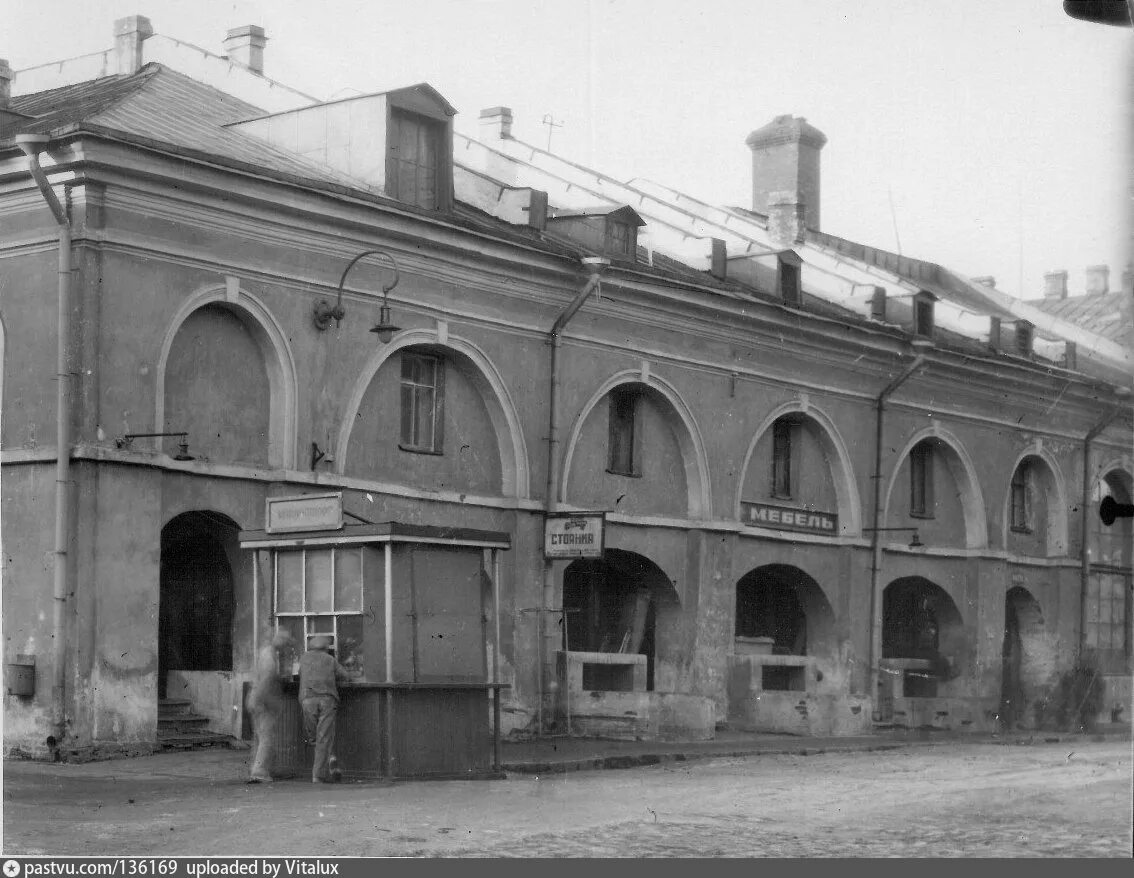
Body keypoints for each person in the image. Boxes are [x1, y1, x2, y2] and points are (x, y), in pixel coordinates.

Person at [298, 634, 350, 783]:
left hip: (307, 700)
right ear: (326, 648)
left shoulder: (304, 658)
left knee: (314, 737)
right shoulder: (330, 660)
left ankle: (329, 759)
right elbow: (345, 676)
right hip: (327, 700)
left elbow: (301, 674)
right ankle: (319, 774)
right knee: (323, 737)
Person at [246, 628, 293, 784]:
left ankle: (258, 769)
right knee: (266, 738)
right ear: (279, 640)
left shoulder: (267, 652)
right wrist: (261, 700)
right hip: (264, 702)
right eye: (285, 642)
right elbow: (266, 679)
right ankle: (259, 772)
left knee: (259, 737)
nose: (286, 646)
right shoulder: (270, 657)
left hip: (257, 699)